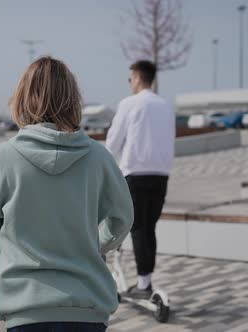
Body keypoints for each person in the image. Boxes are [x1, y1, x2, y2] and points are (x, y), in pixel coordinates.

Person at [0, 56, 134, 332]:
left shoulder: (4, 157)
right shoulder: (98, 157)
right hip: (87, 305)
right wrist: (97, 244)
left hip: (26, 308)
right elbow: (123, 217)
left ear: (23, 98)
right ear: (73, 100)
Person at [105, 60, 175, 299]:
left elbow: (113, 142)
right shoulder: (166, 105)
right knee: (149, 228)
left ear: (136, 77)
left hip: (135, 174)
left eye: (130, 79)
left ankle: (144, 286)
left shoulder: (129, 104)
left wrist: (105, 167)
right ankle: (145, 281)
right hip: (161, 174)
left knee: (137, 228)